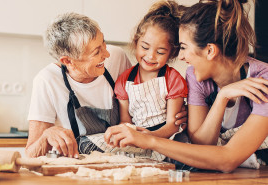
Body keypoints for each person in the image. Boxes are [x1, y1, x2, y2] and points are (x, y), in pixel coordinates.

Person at [104, 0, 268, 172]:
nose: (180, 56)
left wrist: (148, 140)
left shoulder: (263, 80)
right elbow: (202, 144)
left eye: (183, 48)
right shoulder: (195, 76)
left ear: (210, 51)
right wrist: (222, 97)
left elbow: (228, 160)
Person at [25, 12, 187, 158]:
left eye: (104, 43)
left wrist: (174, 115)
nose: (107, 53)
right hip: (79, 168)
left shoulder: (116, 57)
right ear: (68, 61)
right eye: (97, 52)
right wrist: (47, 135)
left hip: (122, 160)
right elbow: (30, 152)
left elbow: (139, 104)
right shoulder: (46, 81)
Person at [82, 0, 188, 162]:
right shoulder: (124, 80)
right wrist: (129, 135)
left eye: (160, 52)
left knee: (181, 159)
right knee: (84, 143)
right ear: (136, 42)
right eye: (145, 47)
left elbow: (173, 125)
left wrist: (148, 137)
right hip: (137, 138)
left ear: (172, 53)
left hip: (165, 139)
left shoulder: (173, 79)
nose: (150, 56)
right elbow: (125, 122)